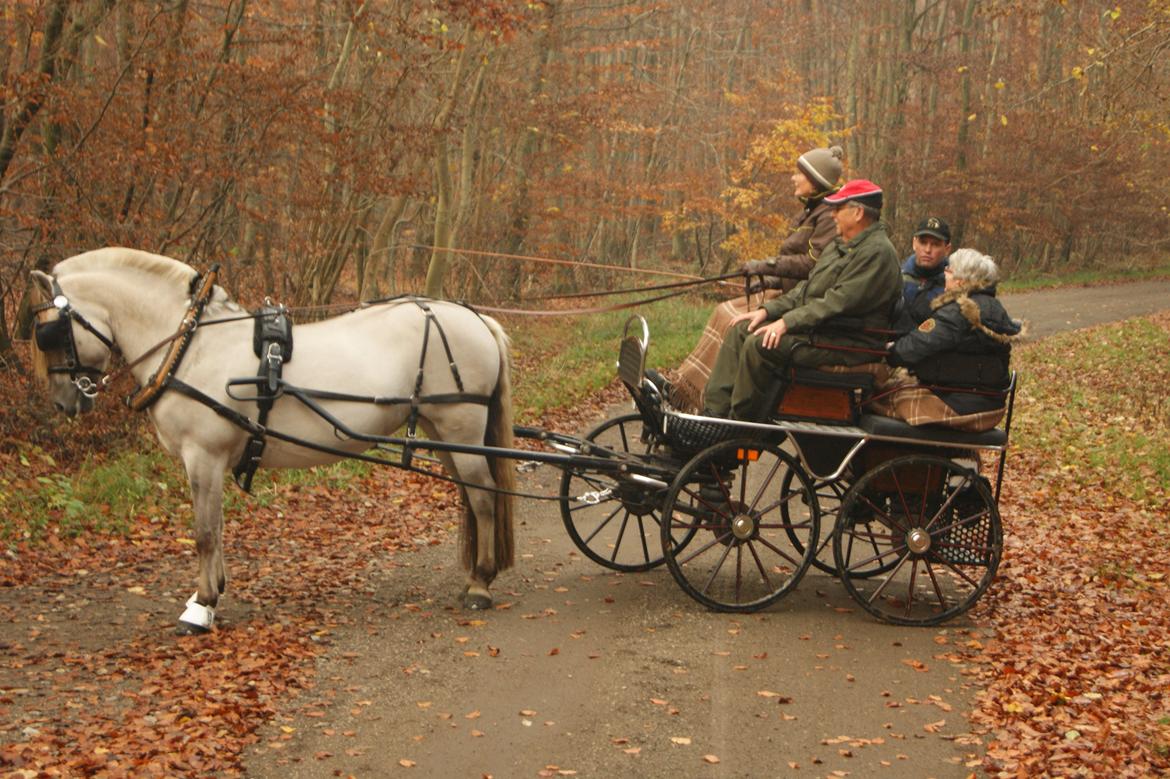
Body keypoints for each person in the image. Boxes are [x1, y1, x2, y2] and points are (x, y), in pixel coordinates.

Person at [702, 179, 902, 421]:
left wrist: (786, 323)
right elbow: (806, 289)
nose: (832, 213)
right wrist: (767, 311)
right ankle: (713, 416)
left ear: (858, 213)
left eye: (838, 208)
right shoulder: (841, 245)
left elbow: (835, 302)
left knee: (760, 344)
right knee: (743, 329)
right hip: (824, 331)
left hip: (848, 343)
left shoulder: (877, 253)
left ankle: (740, 425)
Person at [669, 146, 845, 411]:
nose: (793, 178)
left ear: (816, 179)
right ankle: (686, 386)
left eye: (800, 173)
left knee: (734, 322)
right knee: (722, 310)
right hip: (789, 293)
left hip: (801, 302)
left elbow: (813, 265)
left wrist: (766, 266)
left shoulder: (828, 217)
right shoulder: (812, 211)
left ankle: (708, 403)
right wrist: (769, 281)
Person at [871, 248, 1024, 431]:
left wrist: (889, 351)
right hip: (986, 401)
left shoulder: (959, 311)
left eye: (949, 270)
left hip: (959, 403)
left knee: (872, 400)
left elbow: (915, 346)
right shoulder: (992, 307)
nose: (945, 273)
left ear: (961, 280)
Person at [896, 216, 953, 330]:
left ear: (947, 249)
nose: (927, 250)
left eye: (935, 244)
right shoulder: (897, 277)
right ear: (914, 243)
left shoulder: (952, 285)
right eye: (923, 242)